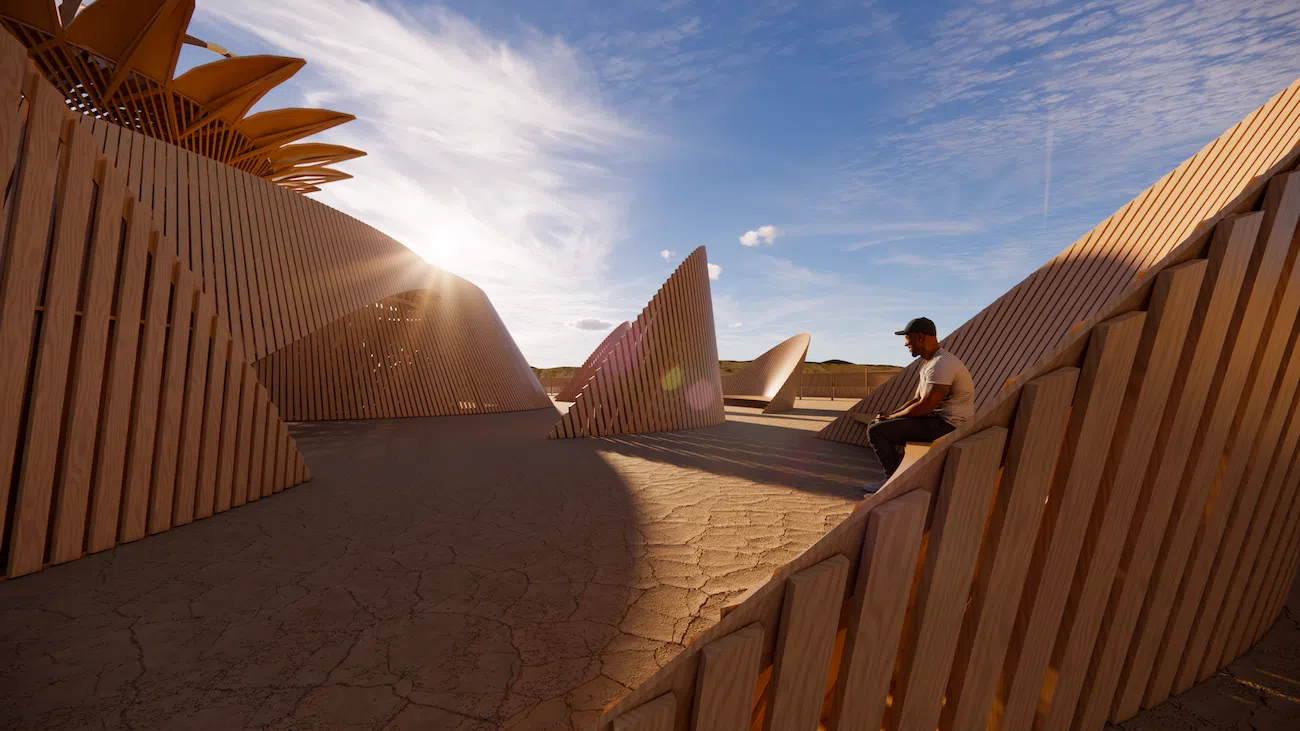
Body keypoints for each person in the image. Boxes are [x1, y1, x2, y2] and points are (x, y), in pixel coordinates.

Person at [863, 317, 974, 494]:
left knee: (877, 431)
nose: (906, 344)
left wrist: (892, 418)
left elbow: (926, 406)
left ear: (920, 337)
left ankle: (892, 485)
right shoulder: (930, 363)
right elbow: (916, 399)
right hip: (936, 420)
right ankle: (895, 478)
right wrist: (891, 415)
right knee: (878, 425)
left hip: (949, 425)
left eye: (908, 339)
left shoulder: (942, 364)